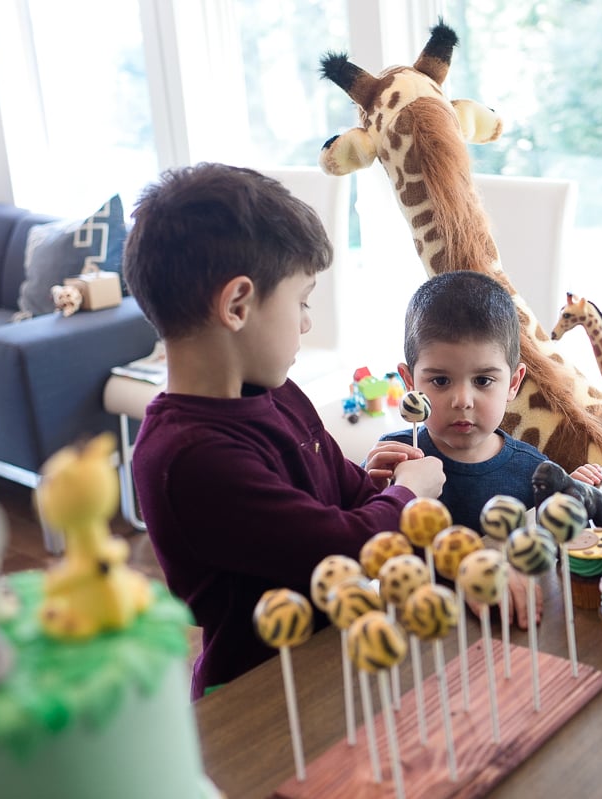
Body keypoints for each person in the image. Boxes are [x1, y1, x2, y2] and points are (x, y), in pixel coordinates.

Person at [124, 163, 445, 698]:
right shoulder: (190, 457)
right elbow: (337, 548)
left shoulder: (276, 391)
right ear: (237, 305)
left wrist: (382, 489)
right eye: (301, 301)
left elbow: (339, 489)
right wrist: (408, 499)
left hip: (332, 659)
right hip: (260, 695)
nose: (305, 322)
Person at [365, 271, 602, 627]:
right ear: (410, 382)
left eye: (483, 380)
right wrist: (371, 493)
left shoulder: (534, 472)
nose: (462, 400)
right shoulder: (395, 459)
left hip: (501, 637)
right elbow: (372, 552)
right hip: (414, 643)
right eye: (440, 380)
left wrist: (571, 500)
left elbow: (551, 554)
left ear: (513, 383)